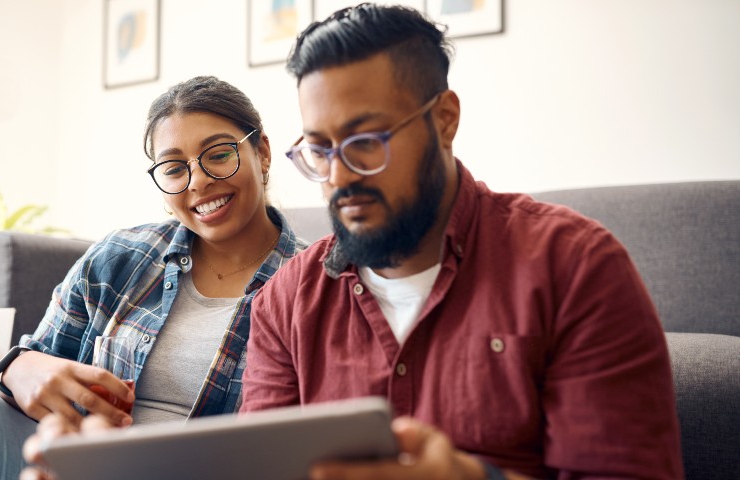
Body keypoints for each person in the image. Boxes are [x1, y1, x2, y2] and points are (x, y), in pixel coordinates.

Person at [239, 3, 684, 479]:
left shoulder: (575, 267)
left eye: (366, 140)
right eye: (321, 150)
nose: (340, 177)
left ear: (445, 119)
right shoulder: (285, 303)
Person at [0, 75, 306, 479]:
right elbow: (17, 376)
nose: (197, 182)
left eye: (218, 154)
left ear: (262, 152)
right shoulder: (121, 257)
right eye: (174, 168)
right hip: (70, 460)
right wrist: (15, 369)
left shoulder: (317, 283)